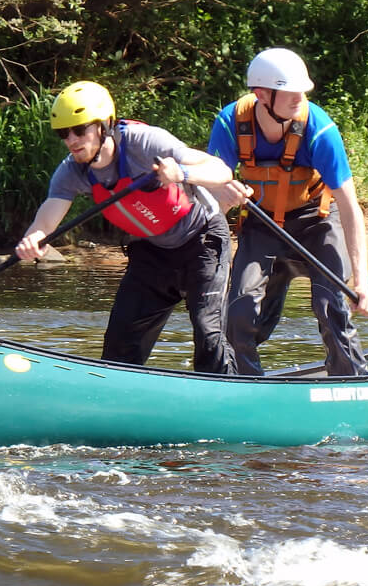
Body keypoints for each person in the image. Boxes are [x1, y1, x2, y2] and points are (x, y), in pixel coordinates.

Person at [16, 81, 237, 373]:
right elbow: (47, 219)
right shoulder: (72, 171)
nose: (72, 140)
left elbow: (221, 171)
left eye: (80, 130)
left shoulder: (145, 143)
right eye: (63, 133)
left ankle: (223, 395)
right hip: (152, 253)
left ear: (104, 125)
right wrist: (34, 238)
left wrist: (182, 172)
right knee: (120, 345)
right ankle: (114, 401)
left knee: (208, 333)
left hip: (203, 239)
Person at [208, 47, 368, 377]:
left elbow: (349, 206)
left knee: (330, 306)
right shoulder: (230, 123)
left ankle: (351, 381)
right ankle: (244, 385)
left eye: (302, 90)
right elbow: (210, 190)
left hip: (317, 222)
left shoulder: (319, 129)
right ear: (261, 94)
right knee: (240, 312)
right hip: (261, 224)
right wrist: (222, 192)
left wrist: (364, 284)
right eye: (289, 92)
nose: (299, 98)